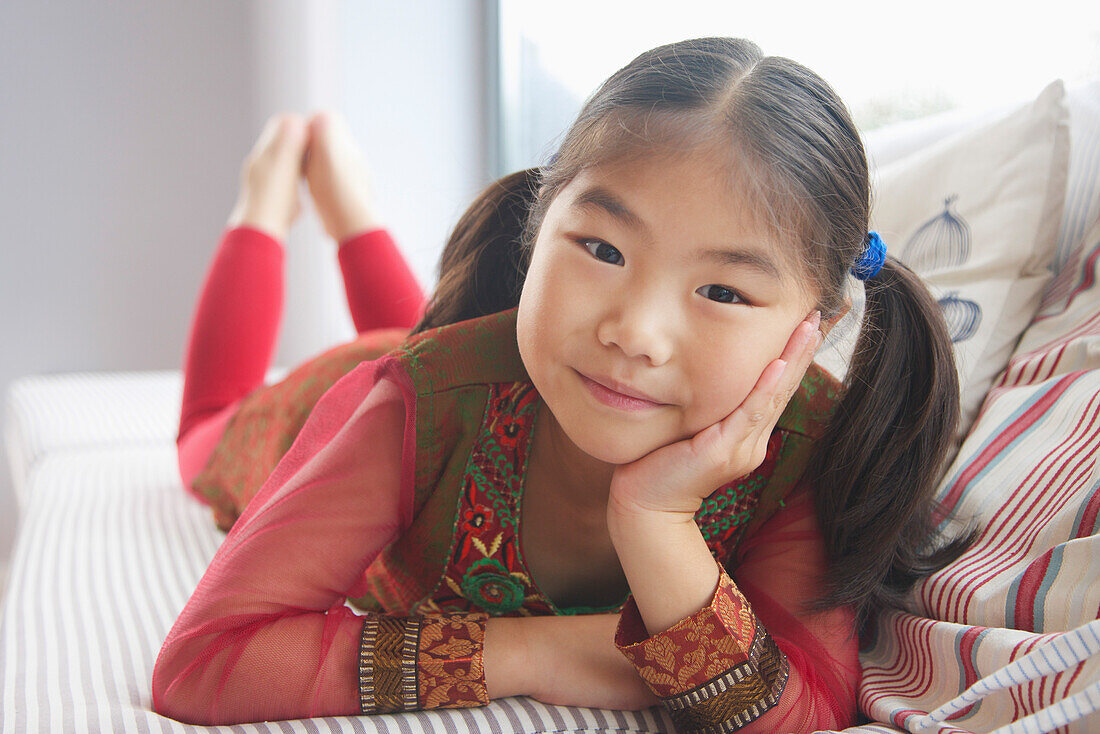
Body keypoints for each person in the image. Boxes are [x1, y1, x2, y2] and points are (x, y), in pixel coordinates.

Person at [152, 37, 971, 732]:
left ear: (814, 328)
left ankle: (350, 208)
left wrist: (655, 520)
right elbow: (202, 662)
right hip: (394, 386)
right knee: (203, 435)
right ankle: (269, 198)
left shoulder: (799, 447)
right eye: (603, 250)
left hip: (481, 362)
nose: (633, 333)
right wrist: (537, 653)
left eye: (722, 292)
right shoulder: (413, 405)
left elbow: (805, 710)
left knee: (436, 343)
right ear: (540, 228)